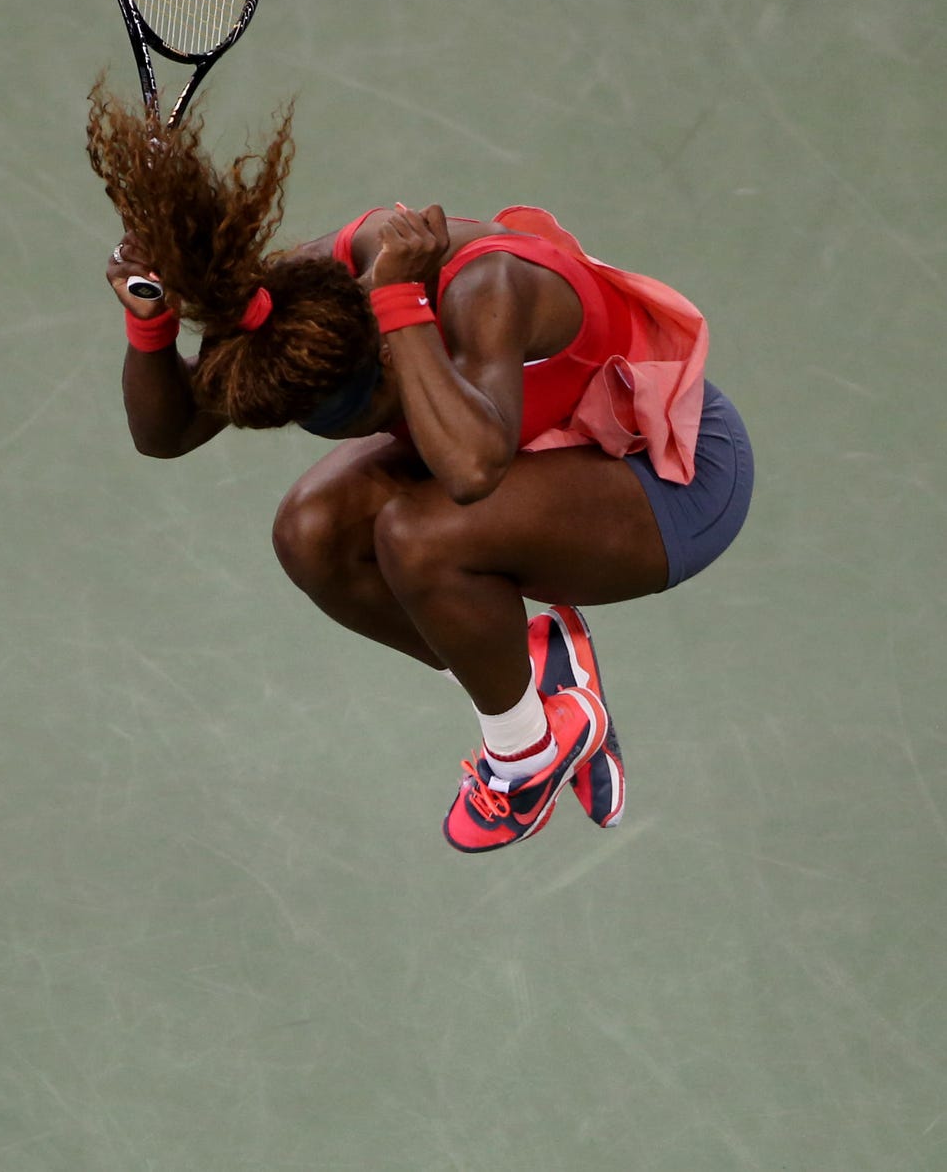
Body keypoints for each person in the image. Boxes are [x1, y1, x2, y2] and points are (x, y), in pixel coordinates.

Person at [87, 85, 754, 851]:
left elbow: (470, 470)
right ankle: (543, 705)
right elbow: (167, 434)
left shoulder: (482, 289)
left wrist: (402, 296)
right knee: (310, 532)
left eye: (382, 415)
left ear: (384, 342)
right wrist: (152, 324)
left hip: (668, 475)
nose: (380, 436)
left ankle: (525, 758)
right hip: (537, 460)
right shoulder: (294, 305)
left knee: (421, 535)